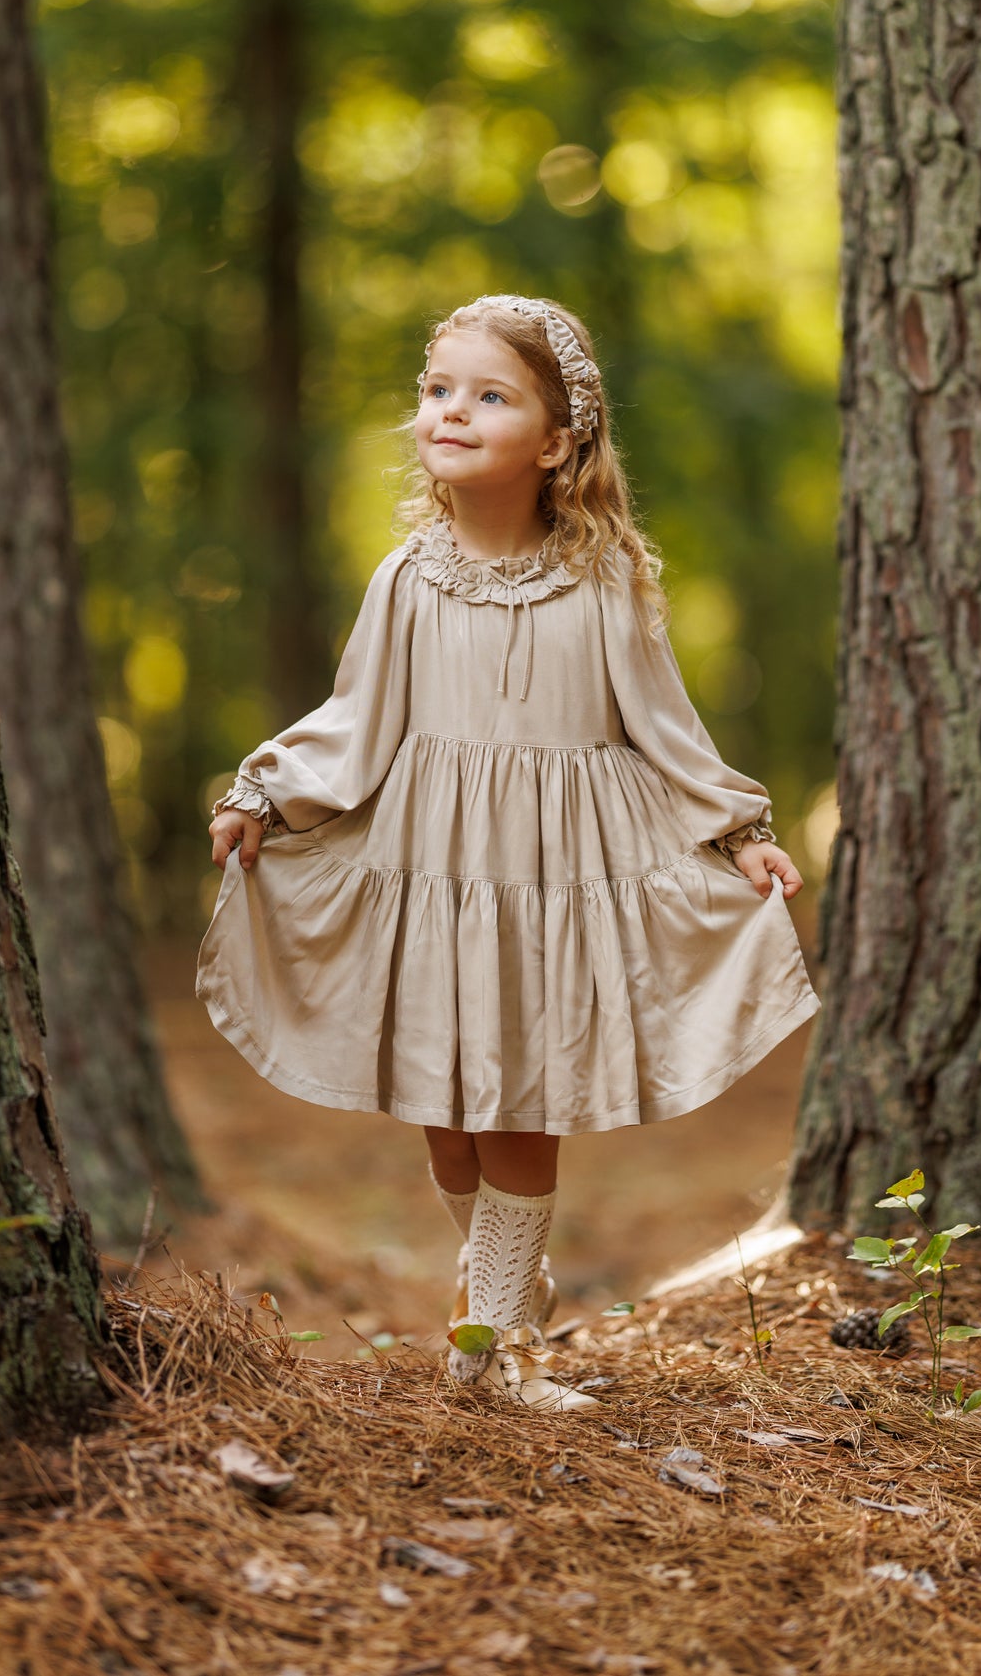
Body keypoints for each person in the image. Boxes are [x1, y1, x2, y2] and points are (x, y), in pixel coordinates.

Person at [200, 294, 817, 1410]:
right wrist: (264, 792)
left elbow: (666, 726)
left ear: (557, 438)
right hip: (435, 876)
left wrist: (739, 830)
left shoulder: (608, 578)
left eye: (491, 393)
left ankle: (503, 1343)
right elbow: (353, 721)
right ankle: (500, 1275)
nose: (453, 409)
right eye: (439, 388)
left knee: (521, 1103)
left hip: (552, 881)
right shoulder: (406, 579)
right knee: (448, 1124)